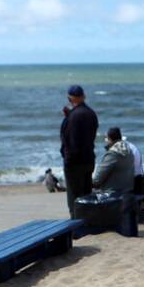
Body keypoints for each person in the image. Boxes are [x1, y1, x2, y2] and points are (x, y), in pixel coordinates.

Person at [59, 84, 98, 217]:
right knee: (86, 194)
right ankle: (88, 221)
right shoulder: (91, 113)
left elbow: (71, 141)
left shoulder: (73, 117)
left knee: (74, 197)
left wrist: (67, 161)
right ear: (83, 96)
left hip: (75, 162)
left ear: (70, 98)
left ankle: (75, 224)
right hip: (89, 159)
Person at [92, 127, 137, 236]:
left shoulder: (113, 154)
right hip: (128, 190)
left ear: (109, 139)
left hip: (113, 192)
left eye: (106, 138)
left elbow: (97, 179)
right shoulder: (129, 151)